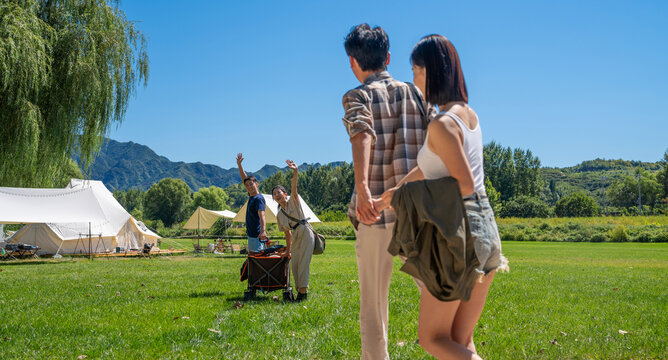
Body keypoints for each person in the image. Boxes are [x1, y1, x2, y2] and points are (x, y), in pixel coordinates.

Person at [374, 35, 508, 360]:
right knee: (459, 340)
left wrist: (412, 203)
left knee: (433, 339)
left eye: (416, 70)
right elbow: (432, 168)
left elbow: (462, 184)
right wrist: (395, 192)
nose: (414, 78)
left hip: (458, 237)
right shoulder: (467, 116)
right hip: (485, 232)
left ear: (432, 71)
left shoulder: (442, 125)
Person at [341, 23, 431, 360]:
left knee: (373, 307)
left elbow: (361, 132)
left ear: (353, 62)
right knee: (437, 293)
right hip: (417, 211)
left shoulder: (356, 96)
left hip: (373, 214)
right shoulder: (420, 95)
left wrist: (363, 188)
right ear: (388, 57)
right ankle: (458, 348)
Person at [273, 159, 315, 302]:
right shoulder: (279, 215)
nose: (277, 195)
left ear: (285, 194)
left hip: (305, 232)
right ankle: (300, 293)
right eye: (274, 194)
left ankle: (302, 295)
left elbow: (294, 188)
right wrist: (288, 251)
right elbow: (287, 234)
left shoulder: (293, 201)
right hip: (296, 236)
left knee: (303, 264)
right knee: (295, 264)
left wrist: (295, 172)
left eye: (279, 192)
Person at [236, 153, 267, 252]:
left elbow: (262, 215)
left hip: (257, 235)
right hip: (251, 235)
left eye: (251, 184)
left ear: (257, 184)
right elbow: (244, 178)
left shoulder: (258, 198)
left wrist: (263, 231)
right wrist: (239, 165)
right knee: (253, 260)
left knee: (256, 260)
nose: (249, 187)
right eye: (247, 185)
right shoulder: (252, 196)